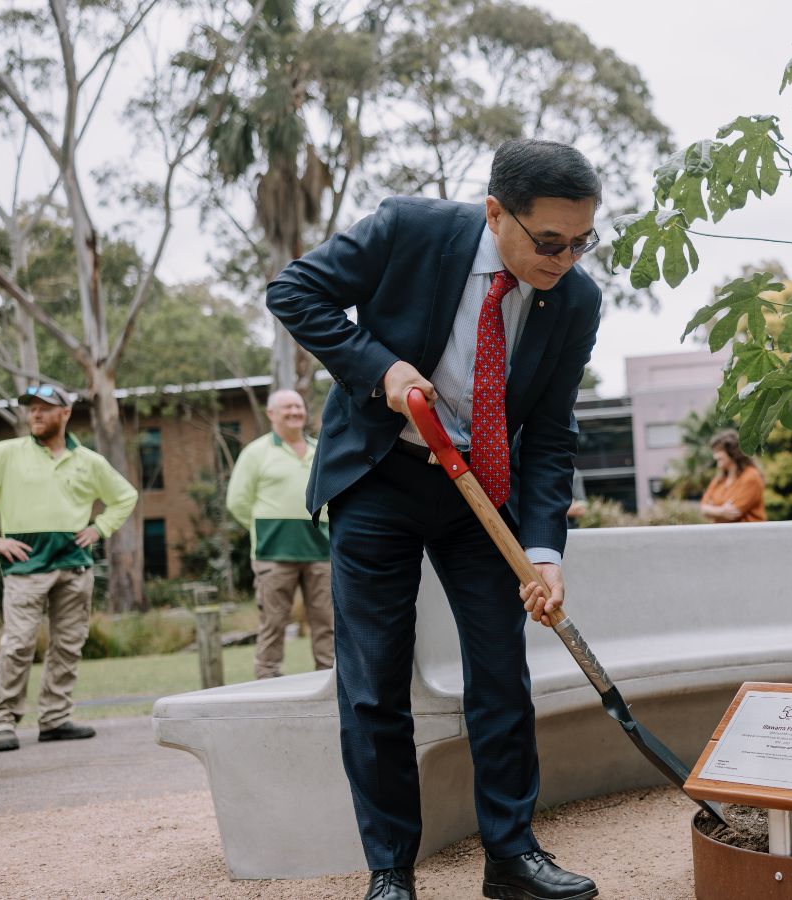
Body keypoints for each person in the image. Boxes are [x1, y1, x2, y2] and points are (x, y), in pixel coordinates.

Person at [267, 139, 602, 900]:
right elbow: (294, 292)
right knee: (374, 680)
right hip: (379, 478)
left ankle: (511, 857)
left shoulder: (575, 300)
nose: (566, 259)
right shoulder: (409, 229)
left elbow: (550, 432)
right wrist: (377, 366)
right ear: (495, 214)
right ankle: (392, 871)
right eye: (549, 241)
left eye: (582, 241)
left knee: (501, 674)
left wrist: (545, 548)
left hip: (482, 497)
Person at [0, 384, 138, 752]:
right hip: (25, 567)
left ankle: (55, 718)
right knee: (18, 643)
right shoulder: (5, 454)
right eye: (31, 408)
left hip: (74, 565)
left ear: (65, 413)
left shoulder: (89, 461)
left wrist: (100, 528)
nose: (35, 414)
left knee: (69, 643)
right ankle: (2, 721)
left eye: (45, 408)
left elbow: (125, 496)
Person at [225, 389, 333, 679]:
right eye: (287, 407)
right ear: (271, 414)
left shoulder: (320, 449)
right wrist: (266, 527)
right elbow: (237, 501)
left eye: (298, 406)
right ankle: (267, 680)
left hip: (321, 551)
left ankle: (332, 680)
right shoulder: (256, 453)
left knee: (328, 623)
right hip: (273, 553)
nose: (294, 412)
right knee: (273, 623)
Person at [698, 430, 766, 523]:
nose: (715, 456)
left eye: (718, 451)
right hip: (723, 535)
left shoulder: (751, 476)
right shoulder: (719, 479)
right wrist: (721, 511)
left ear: (732, 452)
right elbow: (703, 508)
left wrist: (712, 509)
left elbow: (733, 514)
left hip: (749, 535)